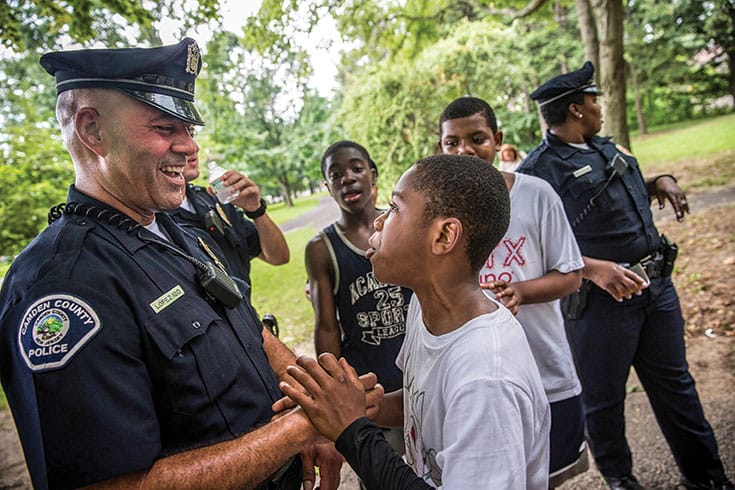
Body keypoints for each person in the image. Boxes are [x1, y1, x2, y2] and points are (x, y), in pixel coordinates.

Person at [0, 38, 381, 490]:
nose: (189, 146)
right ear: (92, 131)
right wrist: (305, 427)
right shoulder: (61, 285)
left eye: (189, 128)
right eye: (164, 127)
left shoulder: (178, 232)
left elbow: (249, 330)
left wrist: (312, 396)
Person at [517, 61, 734, 490]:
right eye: (595, 100)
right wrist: (592, 269)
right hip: (601, 306)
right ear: (577, 109)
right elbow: (533, 246)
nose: (601, 107)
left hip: (655, 291)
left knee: (677, 389)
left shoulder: (604, 148)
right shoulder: (537, 173)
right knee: (604, 401)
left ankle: (708, 479)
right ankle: (620, 479)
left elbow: (619, 194)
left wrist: (660, 182)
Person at [281, 154, 551, 489]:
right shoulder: (425, 312)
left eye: (394, 208)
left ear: (443, 236)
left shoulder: (486, 378)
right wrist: (354, 408)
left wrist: (352, 431)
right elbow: (419, 403)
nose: (379, 222)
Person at [437, 96, 587, 487]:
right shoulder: (435, 214)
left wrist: (520, 291)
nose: (464, 151)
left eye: (477, 138)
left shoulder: (536, 195)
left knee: (545, 477)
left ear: (497, 139)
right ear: (440, 148)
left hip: (545, 374)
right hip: (476, 385)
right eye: (452, 143)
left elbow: (571, 274)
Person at [305, 140, 411, 459]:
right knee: (386, 474)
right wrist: (337, 391)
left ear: (372, 175)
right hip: (370, 384)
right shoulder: (321, 248)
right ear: (327, 186)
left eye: (356, 168)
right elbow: (326, 328)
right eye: (336, 175)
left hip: (417, 373)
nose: (347, 178)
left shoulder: (400, 226)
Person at [168, 147, 289, 299]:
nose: (193, 147)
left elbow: (278, 257)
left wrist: (256, 210)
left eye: (191, 133)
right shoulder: (153, 222)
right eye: (168, 130)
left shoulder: (215, 199)